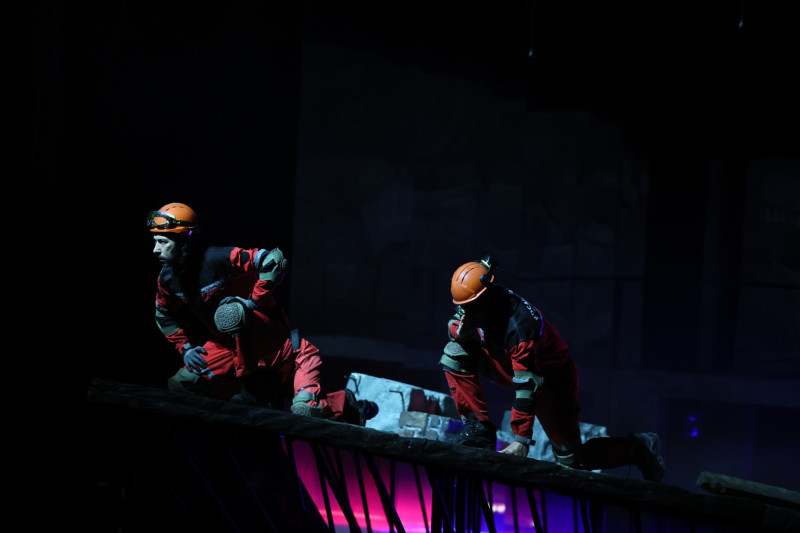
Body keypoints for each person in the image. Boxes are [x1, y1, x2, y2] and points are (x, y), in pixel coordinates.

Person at [146, 202, 377, 425]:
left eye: (163, 242)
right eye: (155, 242)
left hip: (270, 339)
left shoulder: (219, 258)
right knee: (183, 384)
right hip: (228, 347)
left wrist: (251, 302)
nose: (156, 250)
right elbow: (164, 314)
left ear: (185, 239)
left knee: (302, 410)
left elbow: (273, 260)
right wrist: (185, 349)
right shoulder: (168, 279)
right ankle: (247, 399)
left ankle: (342, 405)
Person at [440, 255, 666, 482]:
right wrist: (460, 331)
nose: (468, 313)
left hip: (552, 381)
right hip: (508, 366)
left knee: (572, 459)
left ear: (486, 298)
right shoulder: (475, 304)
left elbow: (527, 385)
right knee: (454, 352)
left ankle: (639, 447)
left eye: (472, 308)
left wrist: (521, 440)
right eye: (464, 308)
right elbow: (455, 324)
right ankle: (479, 431)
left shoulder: (521, 326)